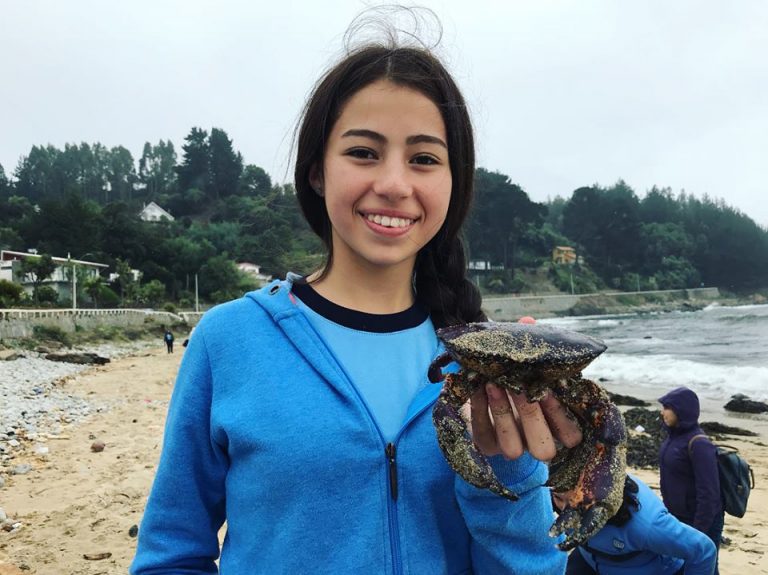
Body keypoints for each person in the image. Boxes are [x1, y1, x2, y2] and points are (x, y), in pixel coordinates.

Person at [131, 12, 582, 574]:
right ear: (317, 171)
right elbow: (171, 554)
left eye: (424, 159)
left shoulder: (485, 363)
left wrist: (505, 467)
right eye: (364, 152)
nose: (393, 184)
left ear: (454, 182)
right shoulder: (230, 340)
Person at [558, 474, 716, 574]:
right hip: (591, 558)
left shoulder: (645, 524)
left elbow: (703, 549)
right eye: (558, 498)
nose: (566, 511)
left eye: (576, 501)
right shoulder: (555, 493)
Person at [659, 386, 724, 574]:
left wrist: (698, 531)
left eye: (667, 408)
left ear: (681, 410)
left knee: (706, 568)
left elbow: (709, 493)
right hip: (677, 517)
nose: (663, 412)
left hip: (701, 520)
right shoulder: (672, 438)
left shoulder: (699, 443)